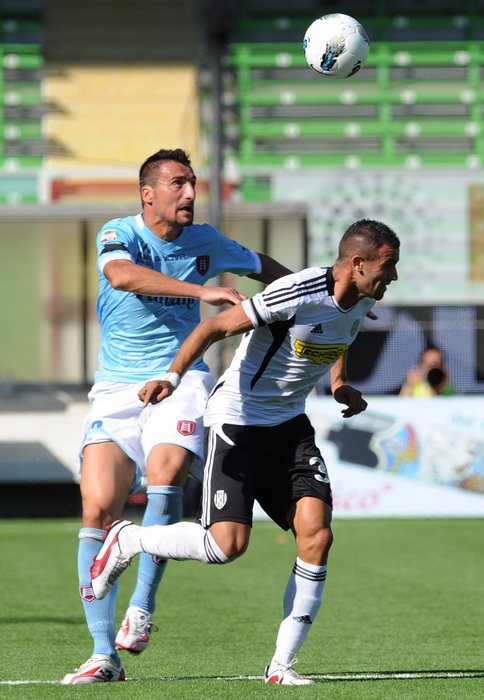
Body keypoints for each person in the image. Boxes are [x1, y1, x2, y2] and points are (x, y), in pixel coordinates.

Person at [89, 219, 400, 685]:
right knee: (225, 546)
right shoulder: (297, 291)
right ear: (357, 263)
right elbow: (215, 326)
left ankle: (281, 666)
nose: (393, 275)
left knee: (317, 535)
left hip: (290, 427)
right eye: (388, 265)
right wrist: (171, 378)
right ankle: (130, 540)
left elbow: (341, 331)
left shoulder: (364, 295)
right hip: (237, 421)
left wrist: (339, 383)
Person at [62, 148, 291, 684]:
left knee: (165, 476)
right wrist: (201, 290)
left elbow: (266, 268)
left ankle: (141, 608)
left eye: (193, 183)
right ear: (148, 194)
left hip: (180, 378)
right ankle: (103, 654)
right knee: (96, 510)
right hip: (116, 390)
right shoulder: (119, 233)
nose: (190, 193)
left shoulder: (207, 240)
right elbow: (121, 276)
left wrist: (327, 293)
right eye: (178, 183)